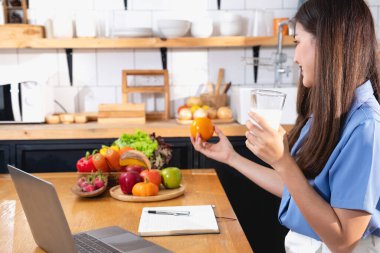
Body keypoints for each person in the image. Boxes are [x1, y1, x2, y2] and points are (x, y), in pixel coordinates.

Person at [191, 0, 380, 252]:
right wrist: (232, 158)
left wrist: (282, 161)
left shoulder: (366, 126)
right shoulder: (330, 112)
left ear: (326, 43)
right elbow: (300, 190)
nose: (294, 57)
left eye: (297, 42)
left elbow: (344, 241)